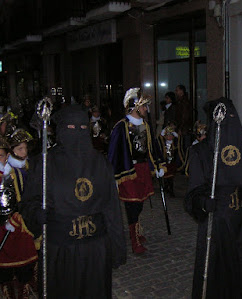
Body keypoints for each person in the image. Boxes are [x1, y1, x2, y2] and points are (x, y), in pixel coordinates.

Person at [20, 105, 126, 298]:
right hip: (61, 250)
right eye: (70, 128)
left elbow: (112, 208)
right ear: (61, 131)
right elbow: (28, 202)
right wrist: (36, 213)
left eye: (82, 128)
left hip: (96, 250)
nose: (77, 132)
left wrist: (117, 247)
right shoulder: (44, 163)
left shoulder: (100, 163)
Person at [185, 97, 242, 298]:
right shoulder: (201, 152)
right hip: (217, 225)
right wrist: (203, 202)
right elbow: (192, 193)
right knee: (218, 276)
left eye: (231, 117)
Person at [108, 87, 166, 254]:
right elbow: (114, 152)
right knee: (132, 205)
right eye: (143, 106)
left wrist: (158, 164)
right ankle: (134, 242)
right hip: (128, 171)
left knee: (139, 204)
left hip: (142, 169)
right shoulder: (121, 127)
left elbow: (152, 147)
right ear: (134, 107)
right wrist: (113, 176)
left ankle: (137, 232)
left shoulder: (145, 126)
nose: (146, 109)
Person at [0, 134, 38, 299]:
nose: (24, 152)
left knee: (27, 254)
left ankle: (26, 285)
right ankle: (8, 288)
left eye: (25, 148)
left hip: (25, 218)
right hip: (9, 221)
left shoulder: (28, 167)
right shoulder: (8, 174)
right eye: (19, 149)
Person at [157, 123, 184, 197]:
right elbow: (159, 139)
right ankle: (166, 186)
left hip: (172, 162)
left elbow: (179, 140)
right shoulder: (163, 144)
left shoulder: (174, 144)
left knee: (171, 177)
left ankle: (170, 189)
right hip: (166, 162)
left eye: (171, 135)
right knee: (166, 176)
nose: (169, 137)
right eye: (168, 136)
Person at [175, 85, 193, 151]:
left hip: (184, 128)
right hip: (183, 127)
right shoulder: (180, 101)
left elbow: (185, 116)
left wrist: (181, 127)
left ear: (181, 91)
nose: (176, 92)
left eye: (177, 90)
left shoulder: (184, 102)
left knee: (184, 147)